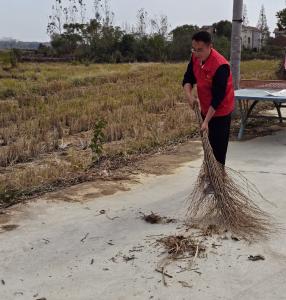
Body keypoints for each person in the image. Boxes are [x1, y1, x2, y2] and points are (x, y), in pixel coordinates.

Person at [182, 31, 235, 193]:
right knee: (208, 144)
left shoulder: (221, 66)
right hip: (205, 106)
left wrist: (206, 121)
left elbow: (218, 98)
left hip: (221, 110)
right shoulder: (195, 58)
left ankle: (219, 179)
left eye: (200, 50)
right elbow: (187, 78)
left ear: (210, 47)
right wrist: (190, 96)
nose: (196, 53)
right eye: (194, 49)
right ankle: (211, 173)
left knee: (218, 146)